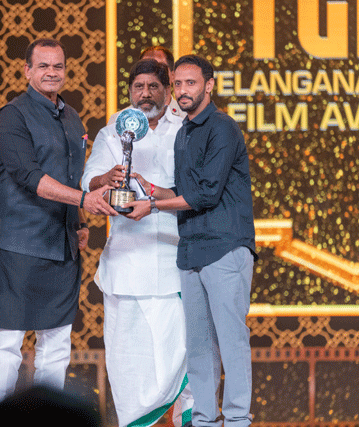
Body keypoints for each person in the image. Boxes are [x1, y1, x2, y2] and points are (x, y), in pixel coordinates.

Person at [0, 38, 117, 424]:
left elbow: (73, 176)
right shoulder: (11, 116)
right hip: (20, 243)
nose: (51, 73)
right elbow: (28, 176)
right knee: (8, 343)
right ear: (27, 70)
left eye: (57, 66)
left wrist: (80, 219)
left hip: (62, 246)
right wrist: (83, 200)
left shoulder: (72, 117)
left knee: (57, 344)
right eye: (43, 66)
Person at [123, 54, 257, 427]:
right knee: (198, 346)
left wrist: (152, 205)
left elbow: (206, 194)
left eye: (191, 83)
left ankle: (237, 420)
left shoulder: (222, 128)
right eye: (178, 84)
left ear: (209, 85)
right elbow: (184, 192)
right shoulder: (185, 132)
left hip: (225, 248)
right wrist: (151, 190)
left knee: (231, 341)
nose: (183, 90)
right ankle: (203, 419)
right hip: (191, 250)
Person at [82, 59, 193, 427]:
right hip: (126, 264)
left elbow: (196, 189)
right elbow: (88, 181)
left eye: (153, 87)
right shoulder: (114, 130)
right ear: (129, 91)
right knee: (128, 360)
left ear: (167, 91)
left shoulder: (186, 128)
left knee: (180, 353)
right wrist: (105, 179)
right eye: (138, 87)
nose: (145, 94)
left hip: (174, 260)